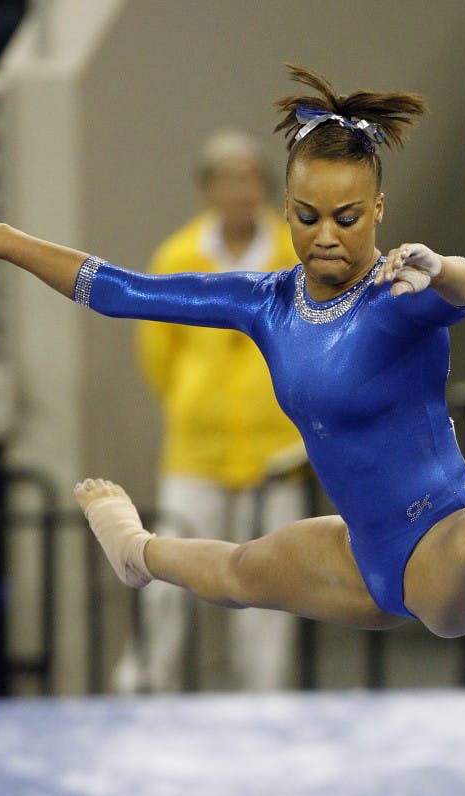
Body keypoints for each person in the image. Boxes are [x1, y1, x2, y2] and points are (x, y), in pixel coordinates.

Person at [0, 63, 465, 646]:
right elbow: (120, 290)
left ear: (378, 208)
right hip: (360, 550)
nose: (327, 236)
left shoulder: (400, 291)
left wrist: (439, 266)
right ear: (285, 205)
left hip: (445, 530)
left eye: (348, 218)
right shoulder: (264, 301)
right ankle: (136, 553)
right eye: (307, 216)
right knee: (236, 574)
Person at [125, 129, 305, 693]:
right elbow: (158, 353)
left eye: (249, 177)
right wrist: (192, 402)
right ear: (207, 190)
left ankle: (264, 700)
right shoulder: (178, 257)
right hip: (195, 452)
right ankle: (148, 688)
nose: (239, 190)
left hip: (275, 454)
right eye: (226, 179)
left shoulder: (294, 255)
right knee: (170, 574)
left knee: (275, 588)